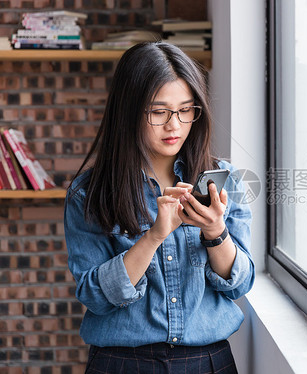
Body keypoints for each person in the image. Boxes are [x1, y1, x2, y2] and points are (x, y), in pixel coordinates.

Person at [64, 42, 254, 374]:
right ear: (129, 111)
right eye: (158, 111)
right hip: (121, 363)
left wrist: (215, 232)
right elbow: (94, 296)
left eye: (185, 110)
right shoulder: (89, 193)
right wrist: (153, 236)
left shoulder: (223, 180)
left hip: (208, 362)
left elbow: (239, 284)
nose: (175, 126)